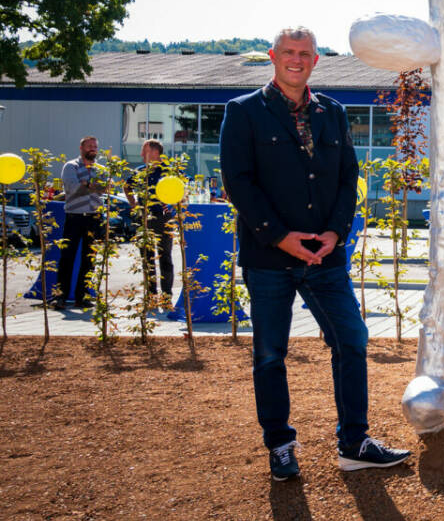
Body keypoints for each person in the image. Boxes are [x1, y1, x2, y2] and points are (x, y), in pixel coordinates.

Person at [220, 26, 410, 482]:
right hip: (269, 259)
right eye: (288, 52)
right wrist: (280, 236)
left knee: (352, 340)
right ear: (273, 56)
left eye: (305, 53)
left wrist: (335, 231)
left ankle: (354, 444)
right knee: (270, 354)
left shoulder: (333, 112)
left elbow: (348, 176)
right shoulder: (243, 112)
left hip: (326, 258)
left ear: (316, 60)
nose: (296, 59)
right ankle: (280, 446)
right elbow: (237, 182)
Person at [56, 136, 105, 307]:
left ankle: (81, 297)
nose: (93, 148)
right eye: (89, 146)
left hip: (94, 218)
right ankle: (60, 297)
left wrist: (86, 183)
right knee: (67, 258)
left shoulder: (101, 169)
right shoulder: (71, 166)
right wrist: (92, 186)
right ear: (81, 148)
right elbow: (72, 188)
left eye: (95, 146)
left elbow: (105, 188)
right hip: (74, 217)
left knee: (89, 259)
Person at [124, 139, 174, 303]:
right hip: (144, 219)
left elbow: (182, 188)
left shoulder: (169, 171)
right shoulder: (140, 171)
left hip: (163, 218)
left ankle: (166, 296)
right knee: (147, 258)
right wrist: (134, 205)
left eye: (143, 150)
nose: (140, 154)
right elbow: (127, 186)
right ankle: (151, 294)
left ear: (154, 152)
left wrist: (172, 208)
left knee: (165, 257)